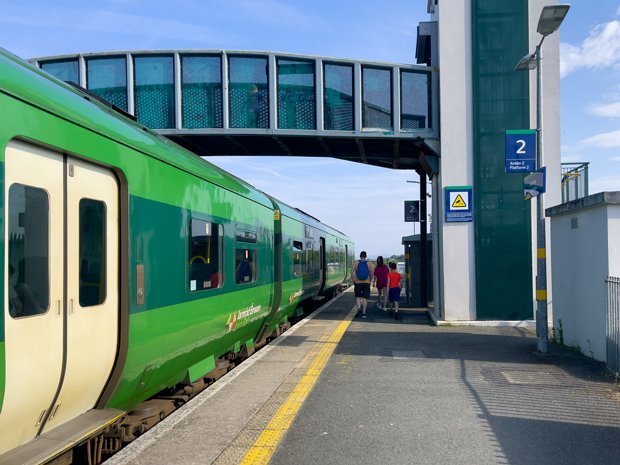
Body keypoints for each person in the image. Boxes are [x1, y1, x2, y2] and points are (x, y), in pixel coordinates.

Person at [352, 251, 374, 318]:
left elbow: (352, 272)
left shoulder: (356, 262)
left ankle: (359, 308)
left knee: (357, 296)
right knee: (365, 298)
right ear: (366, 256)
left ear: (360, 256)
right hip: (366, 282)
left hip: (358, 282)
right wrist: (370, 280)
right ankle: (364, 313)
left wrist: (353, 281)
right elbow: (371, 273)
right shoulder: (369, 263)